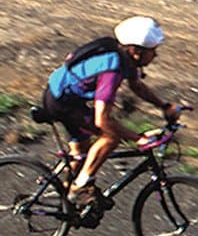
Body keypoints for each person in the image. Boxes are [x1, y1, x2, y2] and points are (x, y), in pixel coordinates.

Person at [36, 16, 184, 207]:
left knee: (82, 151)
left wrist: (164, 106)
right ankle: (80, 188)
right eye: (152, 51)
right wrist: (138, 138)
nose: (155, 55)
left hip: (68, 97)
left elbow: (137, 86)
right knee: (110, 137)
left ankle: (65, 194)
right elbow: (102, 120)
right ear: (136, 51)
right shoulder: (111, 71)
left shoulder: (124, 57)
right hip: (62, 103)